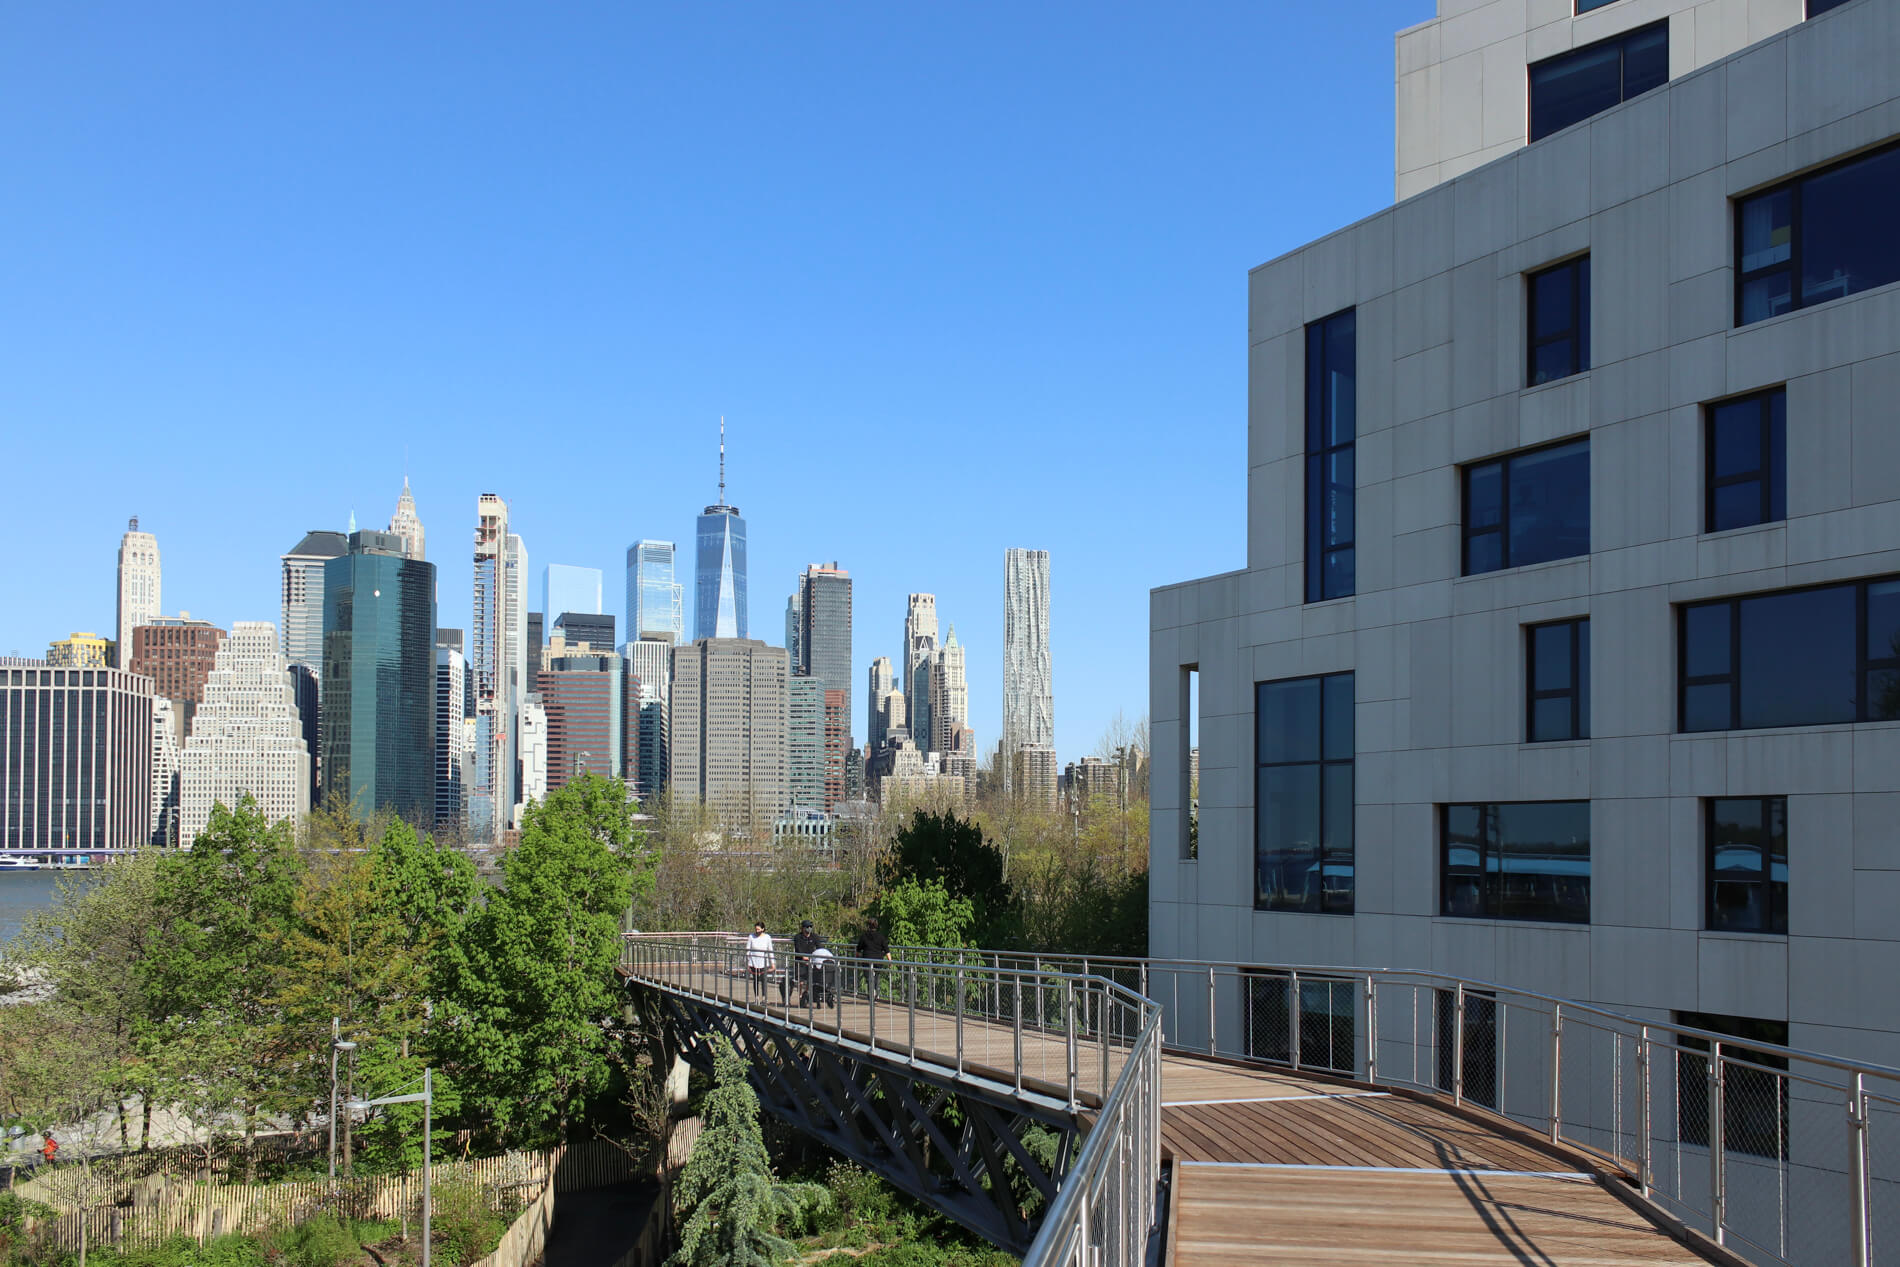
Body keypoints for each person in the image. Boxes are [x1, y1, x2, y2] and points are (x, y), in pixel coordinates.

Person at [854, 916, 891, 998]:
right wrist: (890, 961)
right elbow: (886, 950)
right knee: (876, 976)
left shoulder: (864, 936)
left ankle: (871, 993)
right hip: (878, 960)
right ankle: (875, 991)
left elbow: (858, 949)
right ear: (877, 926)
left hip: (867, 959)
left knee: (868, 977)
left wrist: (858, 957)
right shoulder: (881, 936)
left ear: (868, 926)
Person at [792, 919, 820, 1005]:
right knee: (801, 980)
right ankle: (800, 995)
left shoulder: (814, 937)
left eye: (810, 927)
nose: (809, 929)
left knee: (810, 979)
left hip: (811, 961)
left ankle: (806, 993)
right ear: (803, 928)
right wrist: (803, 957)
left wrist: (817, 956)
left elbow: (819, 947)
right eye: (807, 927)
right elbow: (798, 949)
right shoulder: (798, 937)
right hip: (800, 961)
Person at [744, 922, 773, 1000]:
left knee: (764, 979)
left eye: (759, 929)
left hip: (764, 962)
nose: (757, 931)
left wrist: (772, 963)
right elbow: (747, 950)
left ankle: (764, 997)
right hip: (753, 962)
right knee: (755, 979)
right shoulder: (751, 936)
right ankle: (756, 997)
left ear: (763, 929)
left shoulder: (767, 937)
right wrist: (746, 962)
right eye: (756, 929)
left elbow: (770, 950)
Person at [808, 942, 837, 1008]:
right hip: (830, 973)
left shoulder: (814, 953)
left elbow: (813, 965)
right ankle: (829, 996)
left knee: (815, 984)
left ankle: (817, 1001)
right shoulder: (828, 953)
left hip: (820, 975)